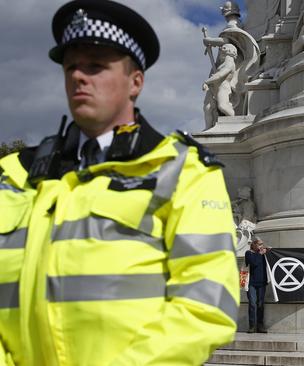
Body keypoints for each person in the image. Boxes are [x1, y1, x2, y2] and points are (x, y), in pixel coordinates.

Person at [0, 1, 239, 365]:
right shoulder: (15, 173)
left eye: (96, 66)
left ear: (135, 82)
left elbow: (204, 307)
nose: (79, 76)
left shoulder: (184, 173)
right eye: (72, 66)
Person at [245, 239, 271, 333]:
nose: (261, 246)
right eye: (260, 244)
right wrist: (259, 254)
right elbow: (254, 263)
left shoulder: (264, 255)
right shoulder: (249, 253)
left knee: (260, 304)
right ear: (254, 245)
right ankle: (252, 325)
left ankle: (260, 325)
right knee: (252, 303)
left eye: (262, 244)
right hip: (251, 283)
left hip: (262, 282)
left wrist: (270, 252)